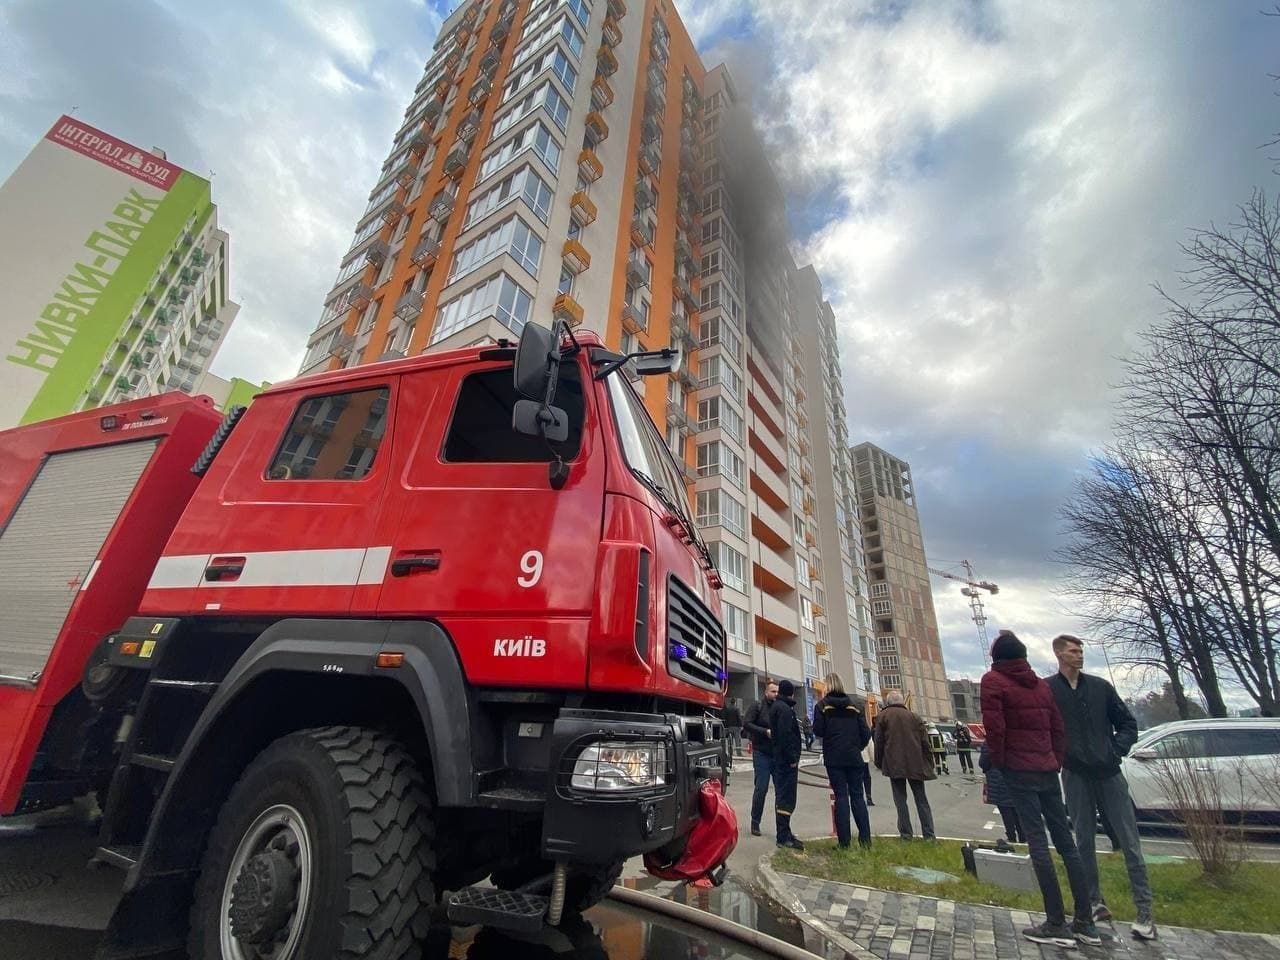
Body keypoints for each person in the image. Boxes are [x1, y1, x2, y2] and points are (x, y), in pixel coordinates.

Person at [981, 630, 1101, 947]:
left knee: (1037, 841)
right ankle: (1085, 922)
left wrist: (1001, 763)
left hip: (1019, 770)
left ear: (997, 658)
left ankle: (1056, 922)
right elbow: (1057, 727)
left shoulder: (993, 681)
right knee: (1066, 842)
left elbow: (995, 728)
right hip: (1047, 769)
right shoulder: (1040, 685)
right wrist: (1054, 759)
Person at [1048, 634, 1156, 941]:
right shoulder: (1049, 690)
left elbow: (1127, 724)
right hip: (1075, 774)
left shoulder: (1100, 687)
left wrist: (1115, 750)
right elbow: (1046, 728)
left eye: (1081, 651)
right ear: (1059, 654)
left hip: (1108, 772)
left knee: (1129, 841)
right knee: (1083, 841)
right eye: (1073, 651)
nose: (1079, 655)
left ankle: (1145, 911)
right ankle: (1093, 903)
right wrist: (1061, 756)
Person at [812, 672, 872, 848]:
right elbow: (866, 732)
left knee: (841, 796)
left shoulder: (822, 706)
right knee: (858, 796)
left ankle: (844, 842)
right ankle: (865, 841)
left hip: (834, 757)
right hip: (854, 757)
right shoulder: (855, 705)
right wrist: (856, 746)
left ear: (827, 686)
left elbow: (819, 731)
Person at [873, 690, 936, 840]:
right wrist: (929, 761)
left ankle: (906, 834)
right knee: (921, 799)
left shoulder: (883, 717)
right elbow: (925, 742)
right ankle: (929, 835)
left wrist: (879, 761)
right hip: (916, 762)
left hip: (895, 763)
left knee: (900, 800)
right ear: (902, 702)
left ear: (888, 702)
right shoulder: (915, 717)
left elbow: (879, 742)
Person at [770, 679, 804, 850]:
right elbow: (785, 736)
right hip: (785, 762)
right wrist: (792, 758)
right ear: (790, 692)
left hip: (781, 759)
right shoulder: (784, 709)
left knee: (784, 797)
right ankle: (783, 837)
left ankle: (786, 832)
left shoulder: (780, 707)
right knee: (786, 798)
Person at [743, 681, 779, 837]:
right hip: (761, 753)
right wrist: (765, 732)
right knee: (761, 788)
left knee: (781, 791)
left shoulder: (780, 708)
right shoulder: (758, 706)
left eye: (777, 691)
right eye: (773, 691)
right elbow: (746, 724)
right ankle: (755, 821)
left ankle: (783, 826)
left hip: (777, 755)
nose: (775, 694)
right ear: (766, 692)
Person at [978, 742, 1023, 843]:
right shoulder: (1016, 736)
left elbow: (983, 762)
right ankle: (1023, 836)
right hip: (1016, 776)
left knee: (1005, 809)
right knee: (1017, 809)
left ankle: (1011, 836)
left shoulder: (991, 740)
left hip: (997, 778)